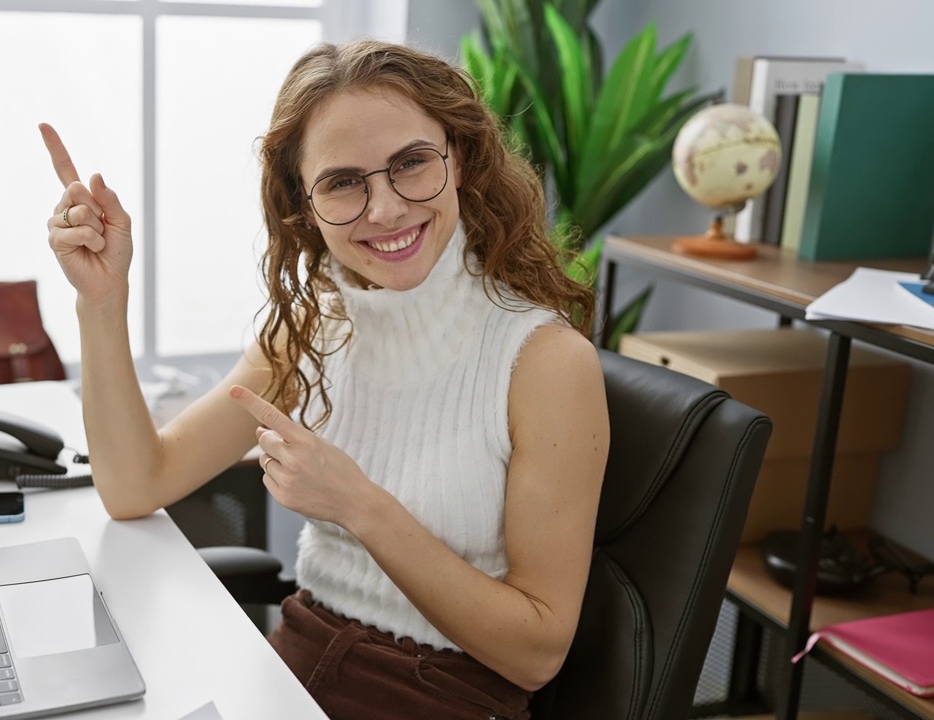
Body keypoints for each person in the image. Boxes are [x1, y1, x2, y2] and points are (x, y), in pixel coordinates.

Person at [39, 39, 609, 720]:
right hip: (291, 669)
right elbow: (136, 485)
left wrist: (359, 505)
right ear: (304, 207)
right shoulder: (312, 329)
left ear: (458, 161)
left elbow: (536, 652)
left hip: (439, 697)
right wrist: (102, 304)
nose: (386, 209)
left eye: (411, 164)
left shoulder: (544, 362)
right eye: (344, 182)